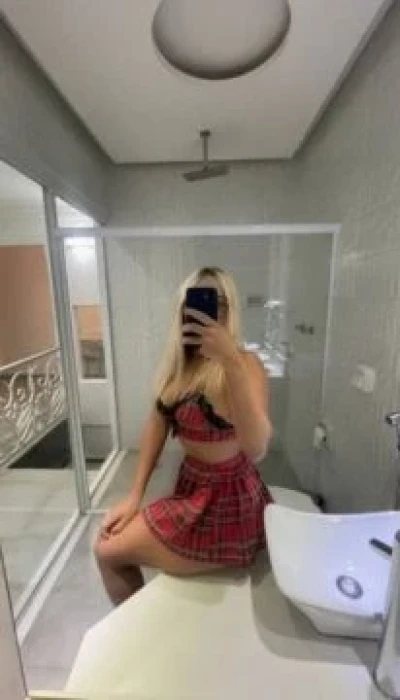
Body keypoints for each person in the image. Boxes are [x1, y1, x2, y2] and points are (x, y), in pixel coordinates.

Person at [95, 266, 274, 605]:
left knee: (107, 550)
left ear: (231, 311)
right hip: (192, 490)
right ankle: (140, 620)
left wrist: (230, 363)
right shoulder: (180, 366)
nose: (206, 312)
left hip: (227, 501)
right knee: (108, 546)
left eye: (218, 303)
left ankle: (141, 626)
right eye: (194, 303)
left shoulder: (246, 364)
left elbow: (257, 449)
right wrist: (134, 495)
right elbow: (157, 423)